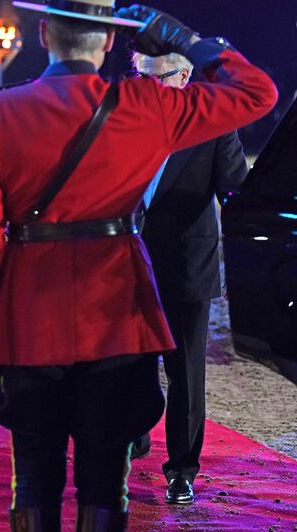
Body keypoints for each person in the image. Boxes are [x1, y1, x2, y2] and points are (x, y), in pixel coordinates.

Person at [0, 1, 277, 530]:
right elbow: (257, 93)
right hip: (117, 317)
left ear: (43, 34)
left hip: (30, 319)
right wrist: (188, 41)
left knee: (35, 478)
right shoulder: (146, 104)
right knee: (106, 477)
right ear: (109, 43)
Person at [129, 51, 249, 505]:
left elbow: (235, 195)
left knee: (184, 374)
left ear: (183, 78)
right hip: (129, 266)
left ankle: (181, 467)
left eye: (153, 79)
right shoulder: (125, 121)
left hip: (186, 269)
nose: (144, 87)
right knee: (129, 361)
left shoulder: (214, 126)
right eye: (139, 77)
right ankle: (135, 436)